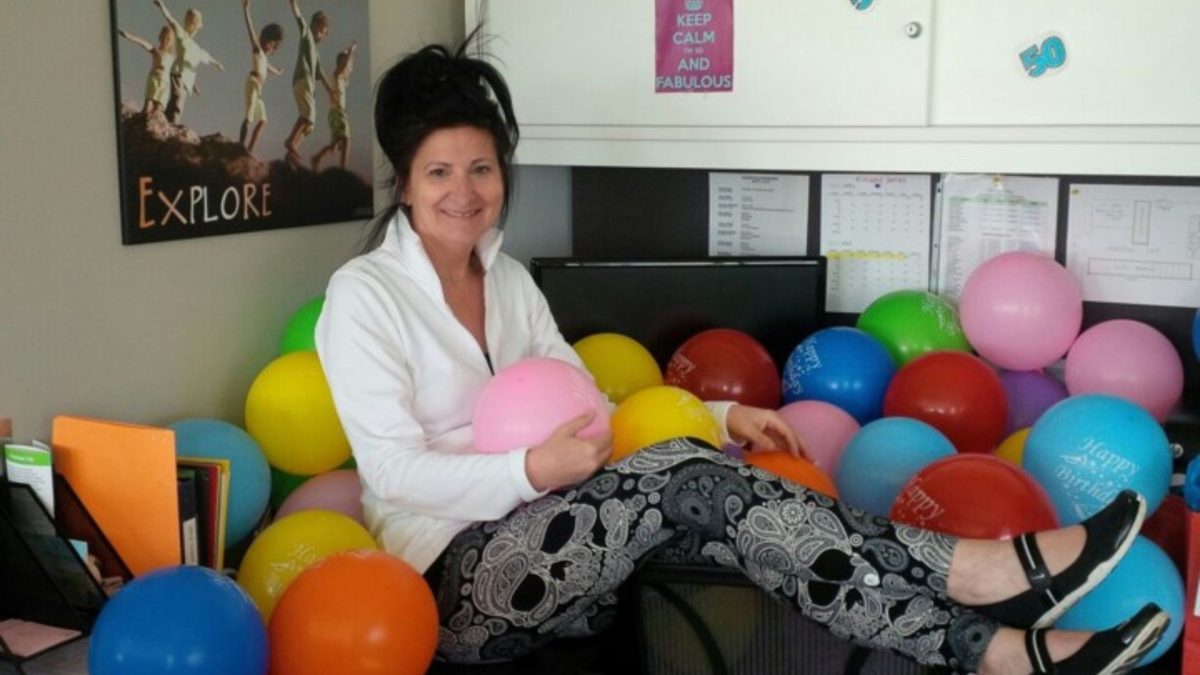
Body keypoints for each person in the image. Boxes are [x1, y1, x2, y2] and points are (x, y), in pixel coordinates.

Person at [315, 38, 1170, 675]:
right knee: (685, 478)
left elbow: (587, 405)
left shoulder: (504, 280)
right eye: (438, 173)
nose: (464, 191)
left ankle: (990, 648)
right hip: (453, 582)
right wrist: (529, 465)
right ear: (404, 178)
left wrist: (718, 414)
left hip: (562, 534)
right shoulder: (364, 296)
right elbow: (392, 468)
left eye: (481, 167)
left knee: (737, 517)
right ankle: (980, 578)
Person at [154, 1, 224, 125]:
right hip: (177, 74)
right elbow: (171, 19)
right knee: (177, 101)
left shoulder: (196, 47)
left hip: (187, 81)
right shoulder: (182, 35)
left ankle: (165, 122)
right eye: (193, 23)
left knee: (177, 104)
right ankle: (170, 124)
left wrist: (217, 63)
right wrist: (161, 5)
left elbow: (206, 57)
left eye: (195, 24)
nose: (194, 27)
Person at [283, 0, 330, 166]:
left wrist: (330, 90)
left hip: (308, 85)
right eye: (322, 31)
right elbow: (299, 18)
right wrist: (294, 4)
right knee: (308, 115)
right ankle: (290, 141)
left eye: (324, 34)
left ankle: (292, 151)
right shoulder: (307, 35)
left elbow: (320, 72)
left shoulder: (316, 53)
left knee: (310, 124)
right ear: (316, 26)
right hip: (302, 79)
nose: (322, 36)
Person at [239, 0, 283, 155]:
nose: (272, 48)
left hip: (259, 90)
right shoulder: (257, 49)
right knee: (249, 116)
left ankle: (249, 151)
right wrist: (246, 11)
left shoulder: (264, 58)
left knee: (263, 121)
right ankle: (240, 146)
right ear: (266, 40)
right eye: (272, 44)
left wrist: (277, 71)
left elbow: (268, 67)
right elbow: (250, 31)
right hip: (252, 83)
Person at [311, 42, 357, 171]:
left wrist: (350, 55)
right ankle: (343, 170)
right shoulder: (336, 74)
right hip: (337, 112)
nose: (345, 65)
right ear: (339, 63)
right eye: (343, 62)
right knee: (346, 139)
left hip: (335, 112)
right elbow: (344, 66)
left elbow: (347, 67)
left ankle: (317, 157)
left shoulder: (341, 79)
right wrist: (351, 51)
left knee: (335, 145)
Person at [117, 25, 175, 116]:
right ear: (160, 37)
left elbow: (181, 70)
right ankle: (139, 124)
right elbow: (141, 42)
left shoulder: (172, 57)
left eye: (168, 39)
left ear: (172, 42)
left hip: (165, 84)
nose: (165, 40)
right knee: (148, 106)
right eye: (163, 37)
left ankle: (151, 126)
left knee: (158, 110)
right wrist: (126, 35)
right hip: (154, 79)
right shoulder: (155, 50)